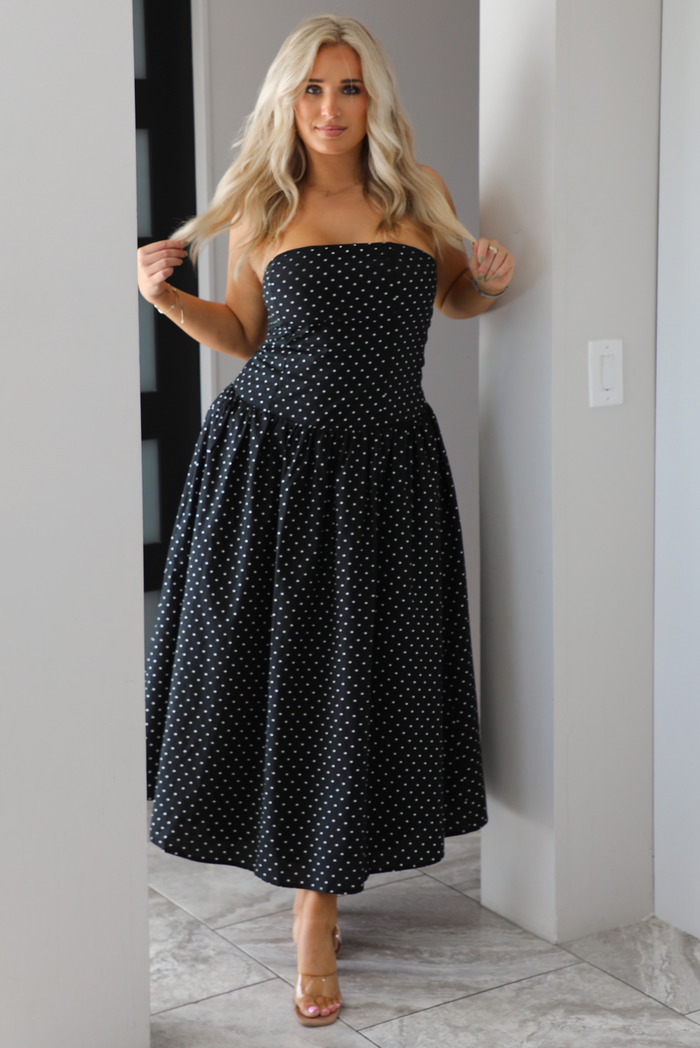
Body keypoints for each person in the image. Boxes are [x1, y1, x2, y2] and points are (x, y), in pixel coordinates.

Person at [138, 14, 513, 1028]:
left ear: (372, 98)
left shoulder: (414, 192)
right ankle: (312, 907)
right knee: (286, 669)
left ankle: (324, 883)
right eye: (312, 89)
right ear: (286, 101)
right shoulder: (263, 207)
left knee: (363, 672)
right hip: (272, 465)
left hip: (389, 468)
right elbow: (241, 334)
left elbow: (450, 303)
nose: (331, 108)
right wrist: (164, 302)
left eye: (348, 88)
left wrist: (483, 278)